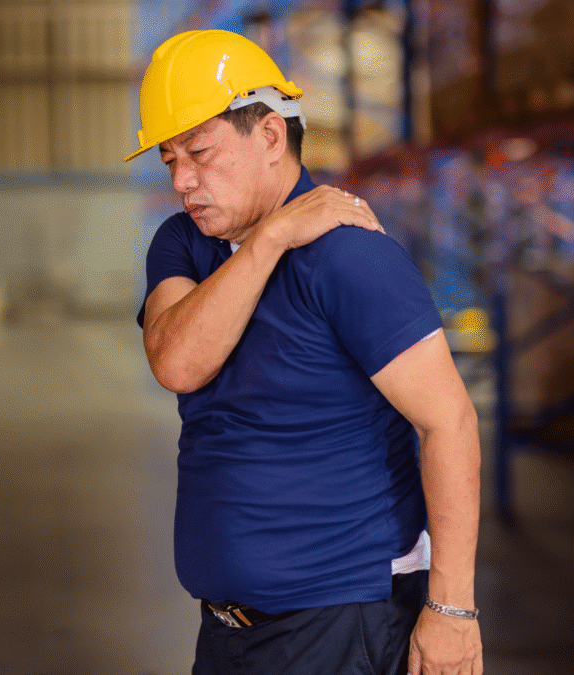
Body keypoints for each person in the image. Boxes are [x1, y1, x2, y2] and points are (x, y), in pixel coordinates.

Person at [126, 30, 483, 675]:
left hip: (341, 623)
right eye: (169, 160)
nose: (182, 181)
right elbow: (177, 361)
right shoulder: (184, 244)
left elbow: (448, 421)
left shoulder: (350, 257)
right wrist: (270, 239)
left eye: (200, 154)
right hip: (231, 632)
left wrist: (452, 609)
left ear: (268, 135)